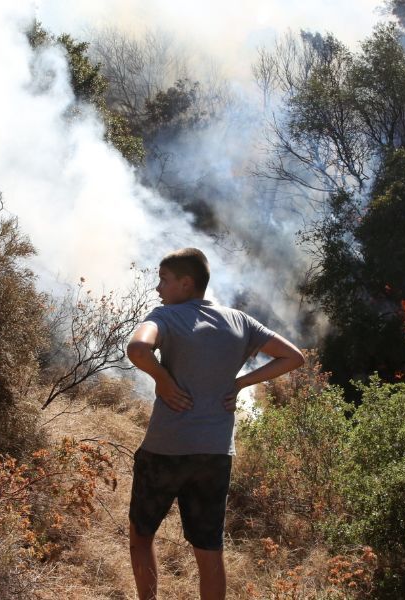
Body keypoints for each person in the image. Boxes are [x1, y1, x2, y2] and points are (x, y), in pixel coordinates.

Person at [125, 247, 305, 600]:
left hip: (166, 449)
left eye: (164, 280)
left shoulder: (165, 316)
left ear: (186, 283)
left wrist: (161, 379)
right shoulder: (241, 321)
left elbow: (136, 349)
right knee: (209, 551)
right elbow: (294, 357)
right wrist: (239, 383)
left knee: (141, 536)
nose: (158, 289)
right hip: (215, 454)